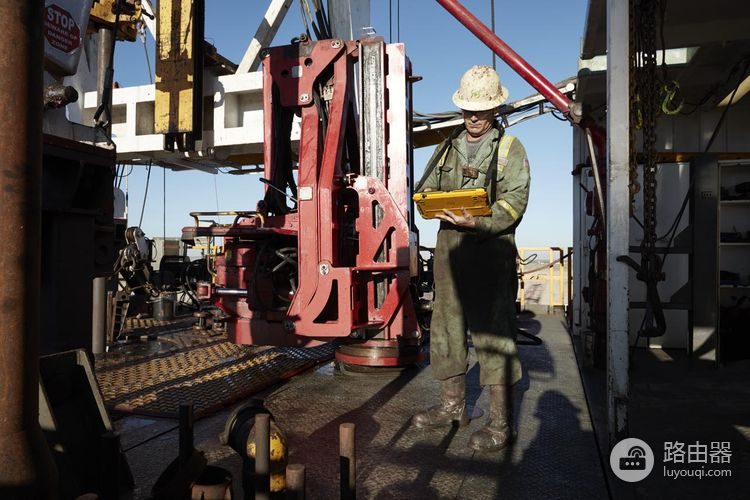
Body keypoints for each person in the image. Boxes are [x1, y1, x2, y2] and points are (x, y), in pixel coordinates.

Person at [412, 65, 530, 452]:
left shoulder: (511, 149)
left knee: (494, 332)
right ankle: (452, 407)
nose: (474, 118)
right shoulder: (446, 146)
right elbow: (424, 190)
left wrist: (478, 221)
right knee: (446, 326)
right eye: (468, 110)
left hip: (490, 251)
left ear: (496, 108)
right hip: (450, 250)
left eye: (482, 110)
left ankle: (500, 423)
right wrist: (432, 206)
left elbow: (514, 203)